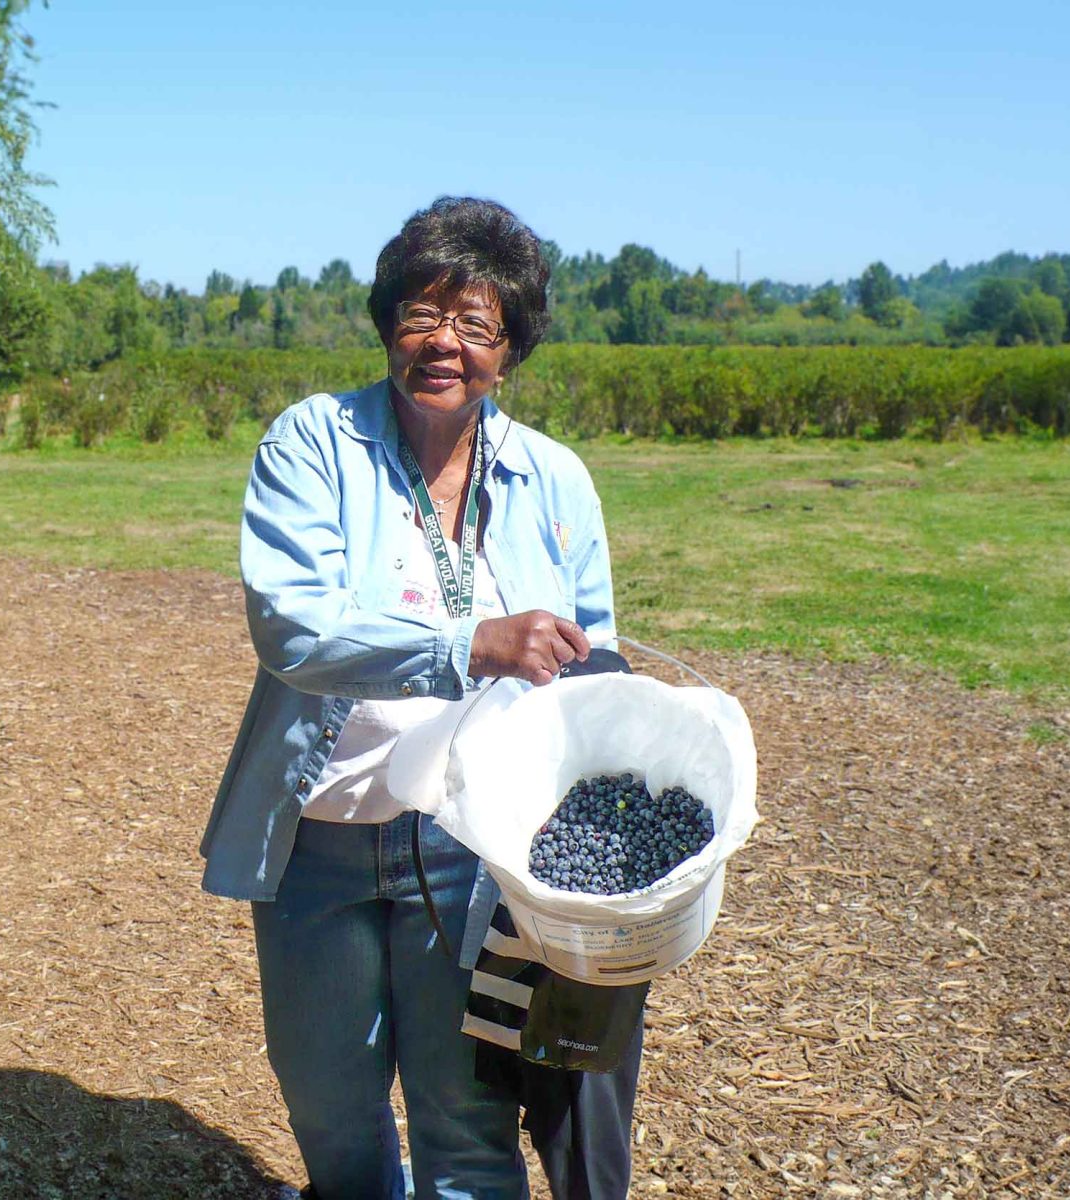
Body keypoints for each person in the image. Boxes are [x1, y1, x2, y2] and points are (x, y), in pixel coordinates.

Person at [201, 196, 635, 1200]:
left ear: (510, 348)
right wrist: (470, 644)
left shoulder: (552, 480)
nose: (444, 343)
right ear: (386, 323)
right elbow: (295, 632)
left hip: (471, 848)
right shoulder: (314, 443)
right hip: (321, 840)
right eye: (420, 315)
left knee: (468, 1128)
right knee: (335, 1124)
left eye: (475, 324)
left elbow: (594, 654)